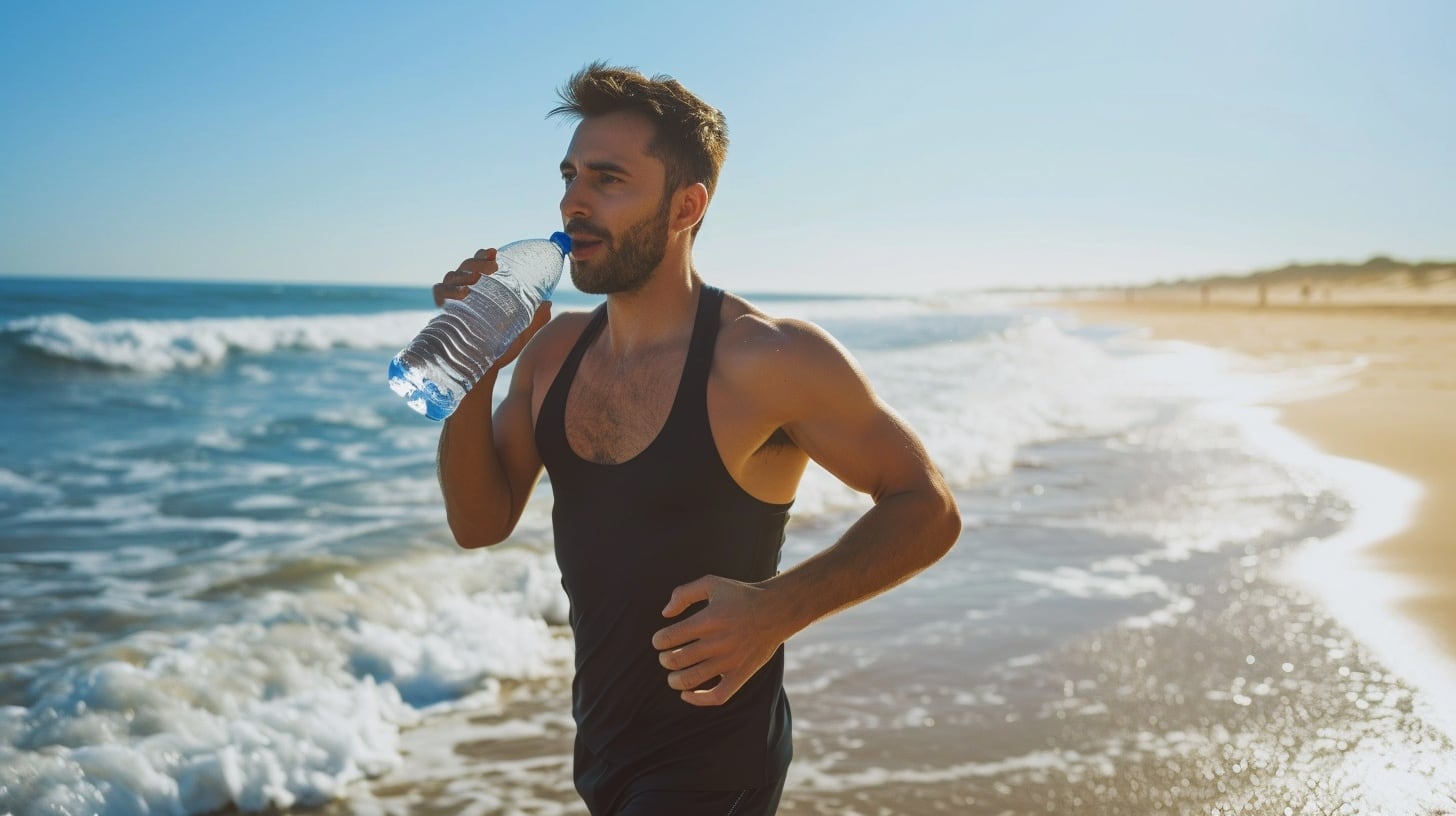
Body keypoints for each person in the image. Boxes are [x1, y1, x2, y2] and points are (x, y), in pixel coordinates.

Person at [433, 62, 960, 816]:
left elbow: (928, 507)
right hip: (605, 752)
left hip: (716, 765)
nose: (573, 202)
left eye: (608, 180)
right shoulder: (551, 356)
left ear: (686, 206)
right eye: (570, 175)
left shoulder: (764, 358)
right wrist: (472, 365)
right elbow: (478, 525)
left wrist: (779, 609)